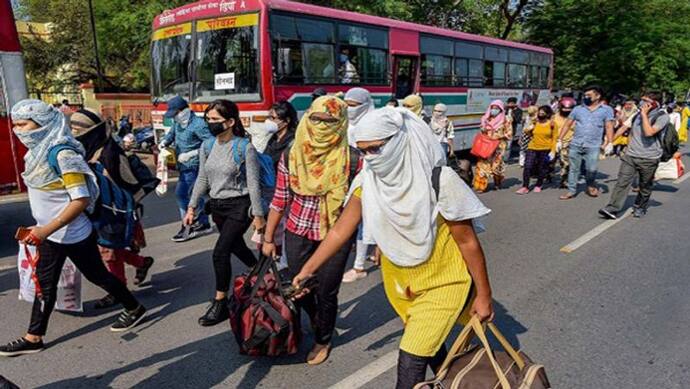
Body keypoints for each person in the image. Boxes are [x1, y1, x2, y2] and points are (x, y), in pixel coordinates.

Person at [291, 107, 493, 388]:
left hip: (444, 283)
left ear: (399, 139)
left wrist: (484, 295)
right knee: (432, 350)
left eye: (376, 149)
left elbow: (468, 242)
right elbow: (340, 231)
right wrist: (308, 269)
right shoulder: (368, 182)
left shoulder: (440, 181)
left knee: (410, 359)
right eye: (363, 152)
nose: (370, 159)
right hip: (401, 284)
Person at [1, 100, 146, 357]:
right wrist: (42, 226)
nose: (18, 130)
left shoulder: (63, 154)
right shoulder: (35, 153)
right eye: (15, 125)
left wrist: (46, 229)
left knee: (97, 276)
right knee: (45, 285)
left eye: (23, 124)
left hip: (74, 234)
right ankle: (34, 337)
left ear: (43, 124)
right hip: (49, 233)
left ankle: (133, 307)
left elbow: (79, 200)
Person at [262, 96, 358, 365]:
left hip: (335, 236)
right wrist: (268, 238)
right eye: (316, 119)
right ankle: (316, 319)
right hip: (297, 231)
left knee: (326, 291)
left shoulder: (353, 159)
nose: (322, 126)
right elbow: (280, 199)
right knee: (300, 287)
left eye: (330, 121)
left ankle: (322, 338)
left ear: (341, 124)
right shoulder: (291, 155)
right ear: (307, 118)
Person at [184, 100, 266, 326]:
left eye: (215, 120)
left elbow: (253, 183)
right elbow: (202, 177)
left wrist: (258, 215)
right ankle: (259, 271)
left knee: (220, 252)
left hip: (240, 206)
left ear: (230, 122)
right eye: (207, 119)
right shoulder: (207, 146)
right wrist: (192, 206)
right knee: (235, 246)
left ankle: (220, 302)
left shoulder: (244, 147)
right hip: (218, 206)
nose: (210, 124)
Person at [70, 108, 157, 309]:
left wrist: (128, 211)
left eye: (78, 130)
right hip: (96, 209)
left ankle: (120, 290)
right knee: (107, 250)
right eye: (72, 129)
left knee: (109, 251)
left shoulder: (110, 153)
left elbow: (128, 183)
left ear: (92, 131)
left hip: (114, 211)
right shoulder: (85, 149)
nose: (74, 134)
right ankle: (141, 262)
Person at [599, 91, 670, 219]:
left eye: (646, 101)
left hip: (649, 158)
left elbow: (649, 132)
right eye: (642, 100)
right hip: (631, 156)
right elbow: (623, 129)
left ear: (655, 104)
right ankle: (612, 208)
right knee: (622, 182)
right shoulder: (636, 115)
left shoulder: (662, 117)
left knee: (644, 185)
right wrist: (609, 142)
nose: (642, 104)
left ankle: (640, 206)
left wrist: (644, 114)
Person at [158, 95, 214, 242]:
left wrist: (192, 153)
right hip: (182, 166)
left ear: (184, 110)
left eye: (175, 113)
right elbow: (171, 134)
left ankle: (190, 224)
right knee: (189, 195)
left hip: (195, 165)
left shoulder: (198, 124)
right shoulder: (178, 123)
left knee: (185, 194)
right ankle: (202, 222)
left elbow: (211, 143)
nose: (174, 117)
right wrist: (164, 142)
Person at [557, 85, 615, 200]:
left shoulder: (606, 110)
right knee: (574, 169)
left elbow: (609, 126)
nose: (586, 97)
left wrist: (610, 142)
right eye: (585, 95)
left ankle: (590, 184)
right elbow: (567, 124)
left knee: (591, 169)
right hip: (576, 143)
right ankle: (571, 190)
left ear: (597, 96)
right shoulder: (578, 109)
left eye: (589, 95)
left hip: (593, 145)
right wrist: (560, 139)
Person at [342, 88, 376, 283]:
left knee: (363, 220)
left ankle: (359, 266)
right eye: (347, 105)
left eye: (354, 106)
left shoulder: (372, 123)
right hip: (348, 175)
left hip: (368, 175)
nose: (349, 109)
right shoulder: (346, 123)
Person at [261, 101, 299, 264]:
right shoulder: (272, 139)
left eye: (273, 117)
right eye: (269, 117)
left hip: (286, 190)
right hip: (271, 188)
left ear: (287, 120)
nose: (269, 121)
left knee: (284, 228)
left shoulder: (293, 141)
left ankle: (284, 262)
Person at [516, 105, 558, 194]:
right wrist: (530, 127)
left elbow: (554, 138)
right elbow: (527, 132)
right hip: (532, 147)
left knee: (542, 168)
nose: (540, 114)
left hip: (546, 149)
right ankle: (525, 187)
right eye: (539, 112)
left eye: (543, 113)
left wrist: (553, 151)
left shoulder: (552, 124)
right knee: (527, 166)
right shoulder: (535, 122)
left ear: (547, 114)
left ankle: (539, 185)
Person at [473, 100, 513, 192]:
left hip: (498, 147)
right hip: (485, 146)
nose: (493, 110)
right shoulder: (486, 119)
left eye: (496, 108)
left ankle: (497, 183)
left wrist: (498, 137)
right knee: (482, 165)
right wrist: (483, 129)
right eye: (492, 108)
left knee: (496, 166)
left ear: (501, 109)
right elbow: (482, 132)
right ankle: (480, 186)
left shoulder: (506, 119)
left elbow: (509, 133)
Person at [554, 97, 576, 188]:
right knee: (550, 162)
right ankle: (548, 174)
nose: (566, 111)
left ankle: (564, 180)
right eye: (564, 109)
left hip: (568, 143)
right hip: (554, 142)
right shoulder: (554, 116)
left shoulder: (575, 118)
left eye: (569, 109)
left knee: (566, 163)